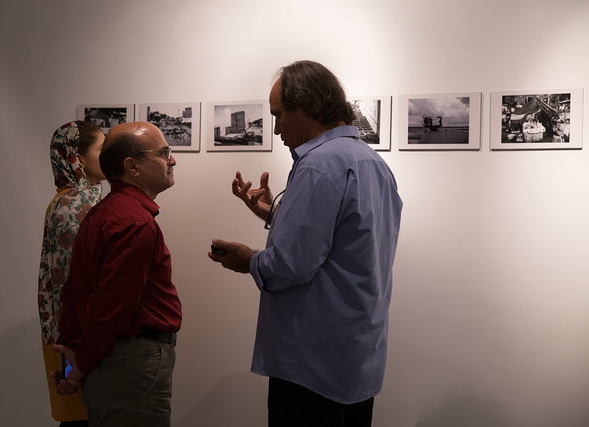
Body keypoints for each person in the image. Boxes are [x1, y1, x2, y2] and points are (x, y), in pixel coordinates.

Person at [209, 60, 403, 427]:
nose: (276, 128)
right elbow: (343, 240)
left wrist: (248, 260)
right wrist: (273, 213)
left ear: (305, 107)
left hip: (312, 365)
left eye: (278, 115)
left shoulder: (318, 165)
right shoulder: (372, 162)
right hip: (355, 357)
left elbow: (290, 264)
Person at [53, 122, 182, 427]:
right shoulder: (133, 222)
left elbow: (73, 291)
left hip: (113, 361)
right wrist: (80, 366)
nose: (173, 160)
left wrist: (74, 354)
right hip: (131, 364)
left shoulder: (103, 214)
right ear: (131, 166)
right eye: (163, 153)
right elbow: (111, 307)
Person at [38, 120, 105, 426]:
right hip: (75, 336)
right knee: (82, 416)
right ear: (77, 157)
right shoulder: (76, 203)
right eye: (101, 149)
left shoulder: (70, 198)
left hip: (70, 332)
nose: (107, 156)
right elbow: (74, 279)